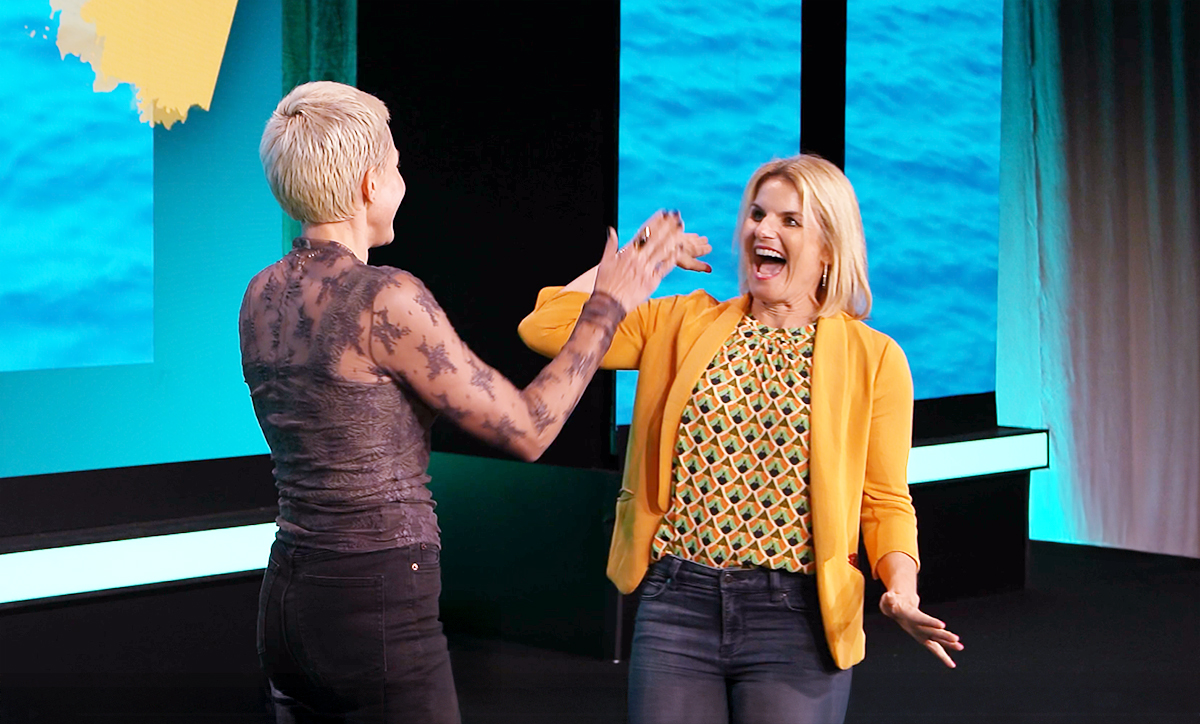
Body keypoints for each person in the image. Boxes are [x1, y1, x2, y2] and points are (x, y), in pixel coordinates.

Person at [240, 80, 697, 723]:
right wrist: (608, 308)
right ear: (371, 185)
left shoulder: (259, 295)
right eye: (396, 166)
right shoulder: (385, 299)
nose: (403, 181)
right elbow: (531, 428)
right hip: (376, 601)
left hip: (286, 597)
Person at [518, 154, 963, 724]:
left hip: (796, 617)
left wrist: (902, 589)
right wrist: (635, 265)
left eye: (790, 221)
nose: (764, 231)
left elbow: (884, 501)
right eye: (756, 214)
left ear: (829, 249)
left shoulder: (874, 359)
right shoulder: (680, 323)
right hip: (678, 602)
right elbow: (545, 328)